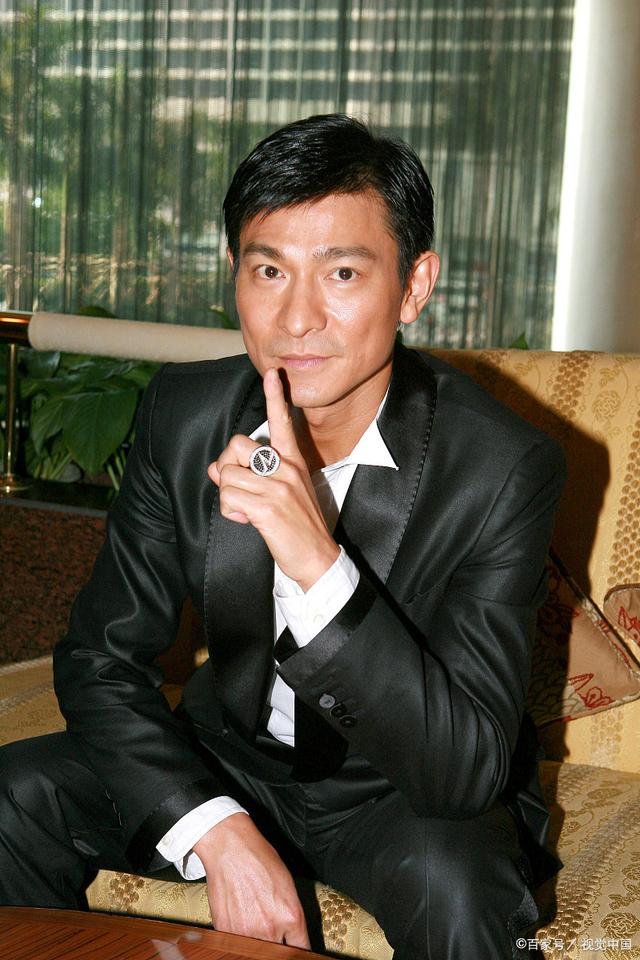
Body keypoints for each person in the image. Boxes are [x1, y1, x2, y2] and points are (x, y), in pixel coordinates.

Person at [0, 114, 565, 959]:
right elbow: (100, 660)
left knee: (459, 894)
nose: (297, 318)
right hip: (227, 758)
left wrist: (316, 562)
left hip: (401, 787)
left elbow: (464, 770)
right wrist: (215, 828)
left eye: (342, 272)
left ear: (414, 285)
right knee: (11, 797)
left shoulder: (501, 467)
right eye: (269, 270)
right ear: (234, 272)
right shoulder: (185, 417)